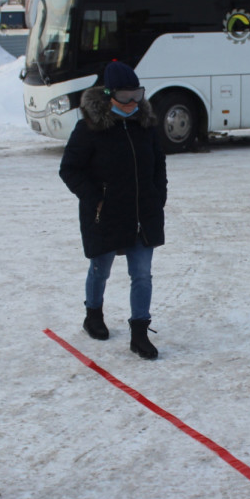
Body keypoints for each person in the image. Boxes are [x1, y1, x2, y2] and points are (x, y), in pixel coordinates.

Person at [59, 60, 167, 359]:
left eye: (138, 95)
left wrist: (158, 196)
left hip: (142, 213)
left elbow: (159, 164)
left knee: (142, 275)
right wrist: (96, 198)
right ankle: (93, 315)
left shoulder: (145, 126)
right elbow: (69, 169)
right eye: (125, 96)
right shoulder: (89, 129)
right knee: (100, 268)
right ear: (109, 95)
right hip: (104, 214)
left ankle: (139, 334)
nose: (133, 103)